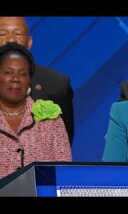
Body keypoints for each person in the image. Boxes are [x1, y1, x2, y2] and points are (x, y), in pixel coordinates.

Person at [0, 43, 71, 178]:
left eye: (22, 74)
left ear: (29, 81)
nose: (15, 79)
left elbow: (64, 172)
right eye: (8, 73)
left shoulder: (50, 119)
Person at [0, 17, 74, 144]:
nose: (11, 40)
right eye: (2, 33)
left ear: (29, 42)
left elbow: (63, 142)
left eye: (17, 33)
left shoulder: (55, 83)